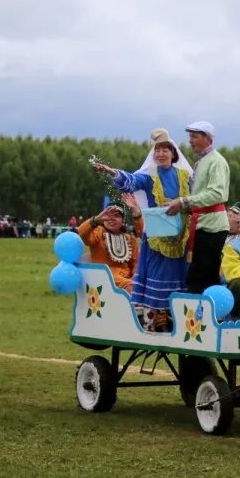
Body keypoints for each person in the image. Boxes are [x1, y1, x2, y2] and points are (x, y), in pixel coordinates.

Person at [93, 128, 194, 331]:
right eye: (157, 150)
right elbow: (129, 181)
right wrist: (111, 172)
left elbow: (197, 198)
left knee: (177, 277)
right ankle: (152, 320)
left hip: (179, 237)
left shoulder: (186, 176)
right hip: (157, 237)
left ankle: (172, 318)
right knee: (156, 277)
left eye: (165, 150)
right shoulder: (149, 178)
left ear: (173, 153)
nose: (161, 154)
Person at [165, 120, 230, 293]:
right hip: (203, 223)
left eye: (194, 136)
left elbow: (217, 194)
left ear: (208, 138)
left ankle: (203, 315)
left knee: (203, 276)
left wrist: (184, 201)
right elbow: (201, 196)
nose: (190, 141)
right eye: (190, 136)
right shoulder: (202, 161)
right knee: (200, 274)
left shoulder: (216, 161)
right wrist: (180, 205)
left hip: (212, 226)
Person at [77, 204, 141, 292]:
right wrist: (96, 220)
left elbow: (136, 263)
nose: (112, 218)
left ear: (123, 221)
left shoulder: (130, 238)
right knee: (132, 288)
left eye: (117, 216)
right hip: (105, 278)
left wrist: (136, 277)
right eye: (108, 215)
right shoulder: (98, 233)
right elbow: (82, 233)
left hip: (128, 279)